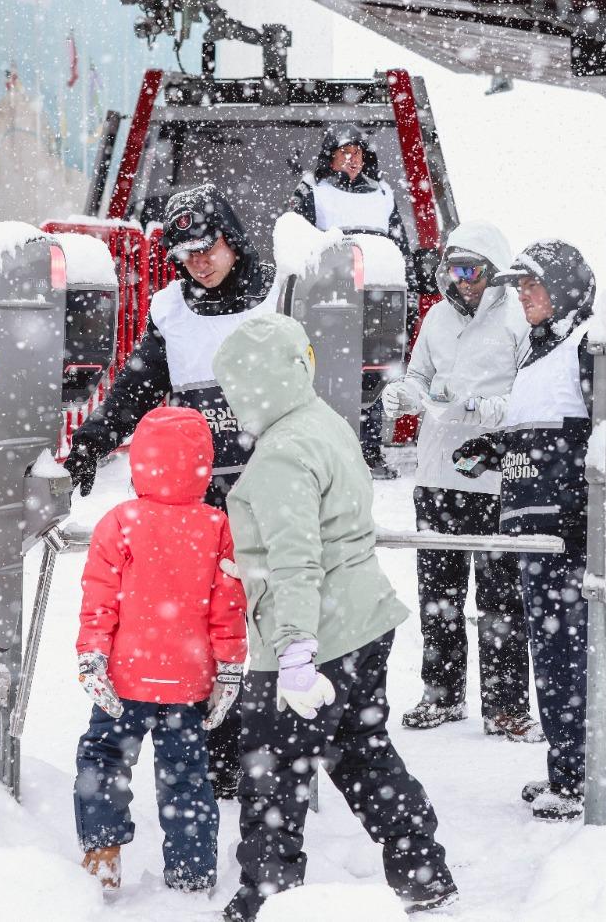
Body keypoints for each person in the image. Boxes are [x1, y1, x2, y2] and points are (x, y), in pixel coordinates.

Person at [212, 313, 457, 920]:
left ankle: (265, 899)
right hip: (362, 618)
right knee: (362, 749)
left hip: (311, 637)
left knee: (274, 772)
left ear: (251, 383)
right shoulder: (323, 422)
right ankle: (422, 872)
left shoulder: (281, 454)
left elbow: (297, 559)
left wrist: (295, 649)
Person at [64, 182, 277, 799]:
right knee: (207, 623)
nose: (199, 263)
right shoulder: (172, 312)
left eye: (208, 248)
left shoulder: (275, 300)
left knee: (268, 623)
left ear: (233, 239)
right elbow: (135, 388)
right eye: (186, 254)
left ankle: (274, 749)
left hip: (267, 493)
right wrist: (92, 442)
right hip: (202, 504)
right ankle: (219, 754)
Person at [72, 407, 246, 893]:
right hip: (188, 681)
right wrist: (229, 667)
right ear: (204, 464)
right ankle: (192, 873)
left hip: (125, 678)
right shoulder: (217, 526)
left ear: (140, 463)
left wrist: (92, 654)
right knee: (186, 775)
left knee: (104, 757)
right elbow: (228, 607)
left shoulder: (120, 522)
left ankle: (103, 854)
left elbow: (99, 599)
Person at [380, 222, 542, 743]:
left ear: (494, 271)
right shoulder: (436, 317)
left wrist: (478, 409)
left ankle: (506, 705)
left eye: (472, 270)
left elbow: (530, 398)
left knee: (501, 599)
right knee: (438, 594)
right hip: (436, 475)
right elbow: (419, 376)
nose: (462, 280)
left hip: (494, 476)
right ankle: (442, 694)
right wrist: (403, 394)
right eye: (454, 269)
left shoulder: (518, 319)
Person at [452, 240, 596, 822]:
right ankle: (566, 768)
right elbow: (538, 432)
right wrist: (496, 448)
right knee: (551, 660)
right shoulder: (537, 354)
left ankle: (581, 778)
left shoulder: (587, 346)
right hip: (532, 540)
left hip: (569, 540)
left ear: (564, 288)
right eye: (519, 286)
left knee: (570, 661)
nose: (524, 295)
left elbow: (600, 437)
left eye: (534, 284)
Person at [288, 124, 414, 479]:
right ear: (330, 157)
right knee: (329, 374)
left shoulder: (383, 194)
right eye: (344, 152)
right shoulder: (313, 191)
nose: (352, 159)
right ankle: (329, 450)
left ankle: (369, 451)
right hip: (332, 299)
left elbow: (401, 248)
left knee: (375, 376)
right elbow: (298, 242)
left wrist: (411, 293)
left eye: (357, 152)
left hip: (382, 297)